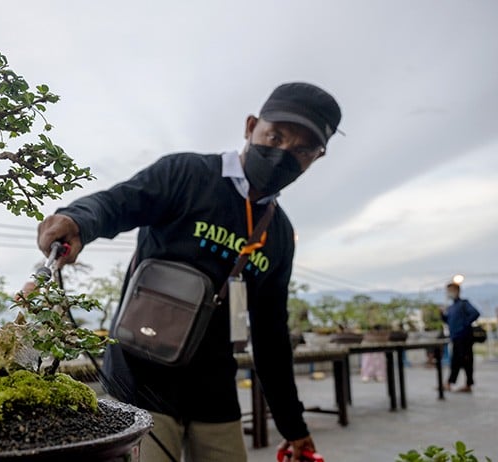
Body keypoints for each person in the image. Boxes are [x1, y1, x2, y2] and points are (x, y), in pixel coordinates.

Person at [36, 82, 342, 461]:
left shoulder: (279, 235)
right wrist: (77, 221)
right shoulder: (186, 174)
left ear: (318, 157)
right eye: (274, 136)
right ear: (250, 127)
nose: (282, 154)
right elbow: (118, 203)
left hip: (215, 394)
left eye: (301, 150)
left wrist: (294, 426)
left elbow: (271, 336)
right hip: (140, 380)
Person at [441, 282, 480, 392]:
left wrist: (464, 324)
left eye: (450, 290)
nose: (448, 293)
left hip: (465, 338)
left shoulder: (464, 304)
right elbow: (448, 321)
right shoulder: (451, 307)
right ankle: (449, 383)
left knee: (467, 361)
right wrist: (442, 315)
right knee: (455, 361)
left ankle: (468, 384)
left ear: (457, 291)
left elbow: (475, 313)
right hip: (456, 338)